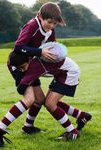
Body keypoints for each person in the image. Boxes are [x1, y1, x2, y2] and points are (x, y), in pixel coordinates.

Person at [0, 51, 92, 147]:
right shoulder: (30, 59)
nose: (22, 70)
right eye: (20, 69)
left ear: (29, 60)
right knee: (44, 101)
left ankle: (73, 132)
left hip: (68, 73)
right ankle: (82, 116)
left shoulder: (35, 65)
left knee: (49, 104)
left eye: (23, 67)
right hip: (61, 72)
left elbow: (20, 89)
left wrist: (23, 80)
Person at [6, 1, 66, 134]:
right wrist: (40, 52)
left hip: (31, 65)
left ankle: (27, 128)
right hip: (19, 64)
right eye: (49, 22)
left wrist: (59, 56)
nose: (51, 26)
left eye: (54, 23)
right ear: (40, 16)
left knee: (39, 99)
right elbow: (18, 47)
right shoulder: (32, 25)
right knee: (30, 99)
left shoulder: (50, 30)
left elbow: (52, 46)